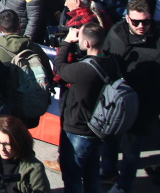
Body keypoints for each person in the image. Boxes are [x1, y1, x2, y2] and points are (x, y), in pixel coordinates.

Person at [100, 0, 160, 193]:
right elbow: (106, 59)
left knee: (131, 150)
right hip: (113, 102)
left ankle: (124, 185)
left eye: (146, 21)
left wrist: (147, 115)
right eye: (136, 22)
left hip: (140, 107)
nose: (141, 26)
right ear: (127, 19)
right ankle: (108, 171)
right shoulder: (116, 33)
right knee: (108, 140)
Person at [55, 23, 119, 193]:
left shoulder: (84, 70)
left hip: (78, 129)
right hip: (98, 128)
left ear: (87, 44)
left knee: (73, 177)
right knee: (92, 175)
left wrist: (67, 42)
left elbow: (59, 67)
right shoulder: (112, 62)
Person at [0, 9, 51, 129]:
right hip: (28, 107)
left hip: (3, 109)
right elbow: (49, 76)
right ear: (19, 27)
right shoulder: (34, 48)